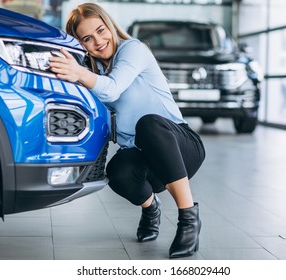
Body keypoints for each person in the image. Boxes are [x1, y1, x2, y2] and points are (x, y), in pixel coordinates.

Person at [49, 2, 205, 258]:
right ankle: (150, 207)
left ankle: (188, 220)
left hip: (180, 145)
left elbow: (111, 88)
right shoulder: (92, 73)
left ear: (110, 25)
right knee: (118, 172)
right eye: (87, 38)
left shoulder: (133, 49)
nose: (98, 41)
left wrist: (78, 73)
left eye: (101, 30)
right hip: (143, 154)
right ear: (81, 45)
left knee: (149, 124)